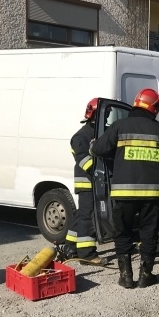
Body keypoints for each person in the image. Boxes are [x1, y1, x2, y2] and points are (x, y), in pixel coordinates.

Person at [90, 88, 159, 289]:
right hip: (153, 194)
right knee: (149, 233)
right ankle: (145, 275)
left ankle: (126, 276)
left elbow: (99, 149)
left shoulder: (119, 126)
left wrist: (92, 145)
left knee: (123, 233)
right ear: (154, 108)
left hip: (124, 192)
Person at [63, 98, 108, 266]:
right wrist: (101, 171)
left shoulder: (96, 133)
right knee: (88, 217)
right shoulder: (82, 136)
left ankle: (71, 247)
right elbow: (84, 160)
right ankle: (87, 254)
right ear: (95, 114)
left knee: (81, 215)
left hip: (93, 182)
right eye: (105, 114)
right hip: (87, 182)